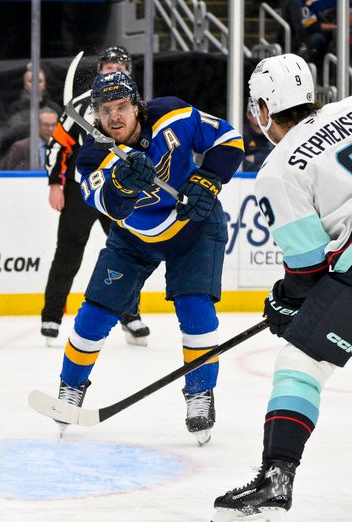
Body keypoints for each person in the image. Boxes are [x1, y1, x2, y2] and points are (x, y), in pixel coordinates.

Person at [211, 53, 352, 522]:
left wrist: (286, 301)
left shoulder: (278, 169)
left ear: (265, 109)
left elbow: (308, 266)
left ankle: (275, 484)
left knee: (300, 361)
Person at [53, 70, 243, 445]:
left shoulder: (174, 114)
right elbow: (108, 205)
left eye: (122, 107)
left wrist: (209, 179)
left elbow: (228, 138)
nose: (115, 118)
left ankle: (200, 393)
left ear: (137, 105)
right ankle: (70, 387)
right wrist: (122, 183)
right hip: (135, 236)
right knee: (95, 311)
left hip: (196, 225)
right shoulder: (92, 157)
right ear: (95, 115)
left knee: (195, 306)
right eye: (105, 111)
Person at [41, 47, 151, 346]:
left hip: (120, 186)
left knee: (125, 252)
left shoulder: (135, 105)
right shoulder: (80, 104)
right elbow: (58, 145)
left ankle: (130, 315)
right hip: (81, 187)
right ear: (99, 71)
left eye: (120, 65)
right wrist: (55, 183)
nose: (113, 69)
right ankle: (51, 316)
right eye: (108, 65)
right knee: (68, 252)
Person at [242, 107, 273, 172]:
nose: (260, 116)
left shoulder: (273, 132)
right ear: (248, 115)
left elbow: (277, 158)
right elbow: (240, 163)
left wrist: (256, 158)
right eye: (256, 113)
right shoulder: (241, 133)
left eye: (262, 113)